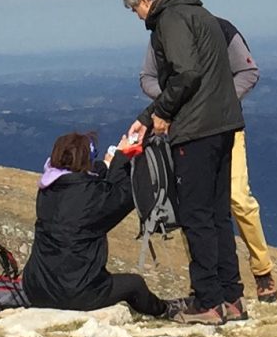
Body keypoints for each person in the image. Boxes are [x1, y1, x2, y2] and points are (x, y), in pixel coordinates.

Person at [120, 0, 249, 325]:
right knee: (219, 213)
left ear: (144, 0)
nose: (137, 16)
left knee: (196, 215)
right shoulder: (200, 13)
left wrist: (160, 112)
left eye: (134, 9)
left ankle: (207, 301)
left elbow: (186, 73)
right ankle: (231, 297)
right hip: (224, 123)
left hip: (196, 129)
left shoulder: (170, 20)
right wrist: (149, 117)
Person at [140, 11, 277, 303]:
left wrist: (217, 99)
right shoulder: (163, 33)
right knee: (195, 207)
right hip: (186, 127)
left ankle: (261, 269)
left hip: (223, 126)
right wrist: (171, 98)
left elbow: (249, 72)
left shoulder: (222, 29)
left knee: (237, 200)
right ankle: (210, 285)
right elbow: (147, 77)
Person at [21, 130, 174, 317]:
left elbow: (82, 181)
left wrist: (108, 163)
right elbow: (124, 193)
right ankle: (166, 312)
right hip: (75, 293)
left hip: (36, 288)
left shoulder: (48, 189)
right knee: (135, 284)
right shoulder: (92, 198)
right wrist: (122, 158)